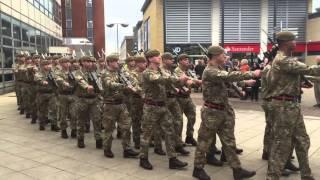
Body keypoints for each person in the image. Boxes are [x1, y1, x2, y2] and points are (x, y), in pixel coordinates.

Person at [192, 45, 259, 180]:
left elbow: (228, 83)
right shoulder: (210, 71)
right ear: (216, 56)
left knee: (229, 141)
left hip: (223, 110)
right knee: (204, 141)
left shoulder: (219, 69)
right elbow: (228, 76)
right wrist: (251, 73)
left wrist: (244, 84)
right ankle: (198, 169)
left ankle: (237, 170)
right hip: (211, 112)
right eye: (223, 54)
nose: (225, 57)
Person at [265, 31, 320, 180]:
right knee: (281, 145)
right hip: (284, 107)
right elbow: (309, 69)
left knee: (303, 141)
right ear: (286, 42)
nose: (296, 41)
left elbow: (298, 75)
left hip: (291, 106)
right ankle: (272, 177)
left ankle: (306, 174)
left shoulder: (287, 60)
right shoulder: (283, 60)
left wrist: (302, 82)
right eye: (294, 39)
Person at [139, 49, 189, 170]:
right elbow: (160, 80)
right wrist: (179, 79)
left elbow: (172, 82)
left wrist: (182, 82)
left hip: (163, 106)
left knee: (170, 131)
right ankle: (143, 159)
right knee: (147, 134)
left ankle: (173, 159)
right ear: (150, 59)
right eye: (156, 56)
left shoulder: (161, 70)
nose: (159, 57)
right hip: (151, 107)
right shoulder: (147, 72)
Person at [101, 54, 139, 158]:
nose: (118, 63)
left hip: (122, 104)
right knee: (109, 129)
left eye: (117, 61)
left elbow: (130, 80)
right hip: (110, 105)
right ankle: (107, 148)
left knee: (126, 127)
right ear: (109, 62)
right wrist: (125, 86)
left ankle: (127, 149)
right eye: (115, 61)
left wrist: (132, 86)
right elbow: (110, 84)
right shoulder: (105, 73)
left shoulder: (120, 72)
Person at [73, 56, 102, 149]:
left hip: (94, 99)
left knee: (97, 120)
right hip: (82, 99)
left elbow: (99, 82)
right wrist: (87, 86)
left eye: (90, 61)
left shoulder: (94, 72)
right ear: (82, 62)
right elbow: (80, 80)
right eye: (86, 61)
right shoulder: (77, 72)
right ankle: (80, 139)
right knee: (81, 120)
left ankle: (98, 139)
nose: (89, 63)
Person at [175, 53, 202, 146]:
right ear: (179, 61)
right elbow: (188, 82)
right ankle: (178, 140)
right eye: (185, 59)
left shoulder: (189, 71)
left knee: (192, 116)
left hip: (187, 97)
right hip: (178, 98)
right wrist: (194, 82)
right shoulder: (177, 71)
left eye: (187, 59)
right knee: (179, 120)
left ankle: (189, 137)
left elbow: (194, 81)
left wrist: (197, 82)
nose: (187, 61)